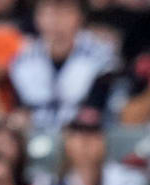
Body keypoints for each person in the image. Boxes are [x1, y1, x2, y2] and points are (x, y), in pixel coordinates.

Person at [23, 106, 149, 185]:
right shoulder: (46, 184)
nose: (85, 139)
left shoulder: (128, 179)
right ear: (66, 141)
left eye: (93, 132)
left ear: (105, 140)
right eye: (78, 132)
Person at [9, 0, 118, 134]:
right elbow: (21, 107)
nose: (56, 20)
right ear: (37, 17)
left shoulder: (102, 56)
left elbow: (96, 109)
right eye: (49, 12)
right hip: (33, 135)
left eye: (65, 12)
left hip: (84, 135)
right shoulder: (23, 58)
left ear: (81, 17)